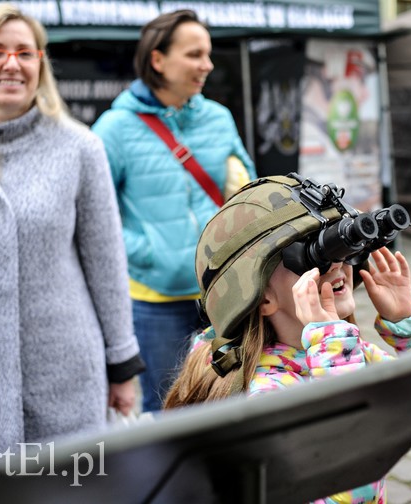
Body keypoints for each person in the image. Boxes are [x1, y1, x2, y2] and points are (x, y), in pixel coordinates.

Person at [0, 4, 144, 500]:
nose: (11, 64)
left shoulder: (80, 149)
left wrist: (122, 365)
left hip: (66, 372)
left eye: (25, 52)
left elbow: (106, 263)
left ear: (41, 63)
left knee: (72, 493)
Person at [162, 174, 411, 503]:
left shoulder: (351, 354)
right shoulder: (267, 396)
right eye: (312, 256)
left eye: (340, 247)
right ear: (261, 298)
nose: (336, 265)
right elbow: (347, 485)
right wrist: (334, 356)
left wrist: (409, 326)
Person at [92, 9, 256, 413]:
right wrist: (149, 253)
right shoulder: (115, 128)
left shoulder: (218, 118)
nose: (207, 65)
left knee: (227, 398)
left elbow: (252, 191)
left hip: (224, 293)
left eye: (208, 54)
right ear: (158, 59)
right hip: (155, 299)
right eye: (195, 54)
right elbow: (92, 216)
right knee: (166, 408)